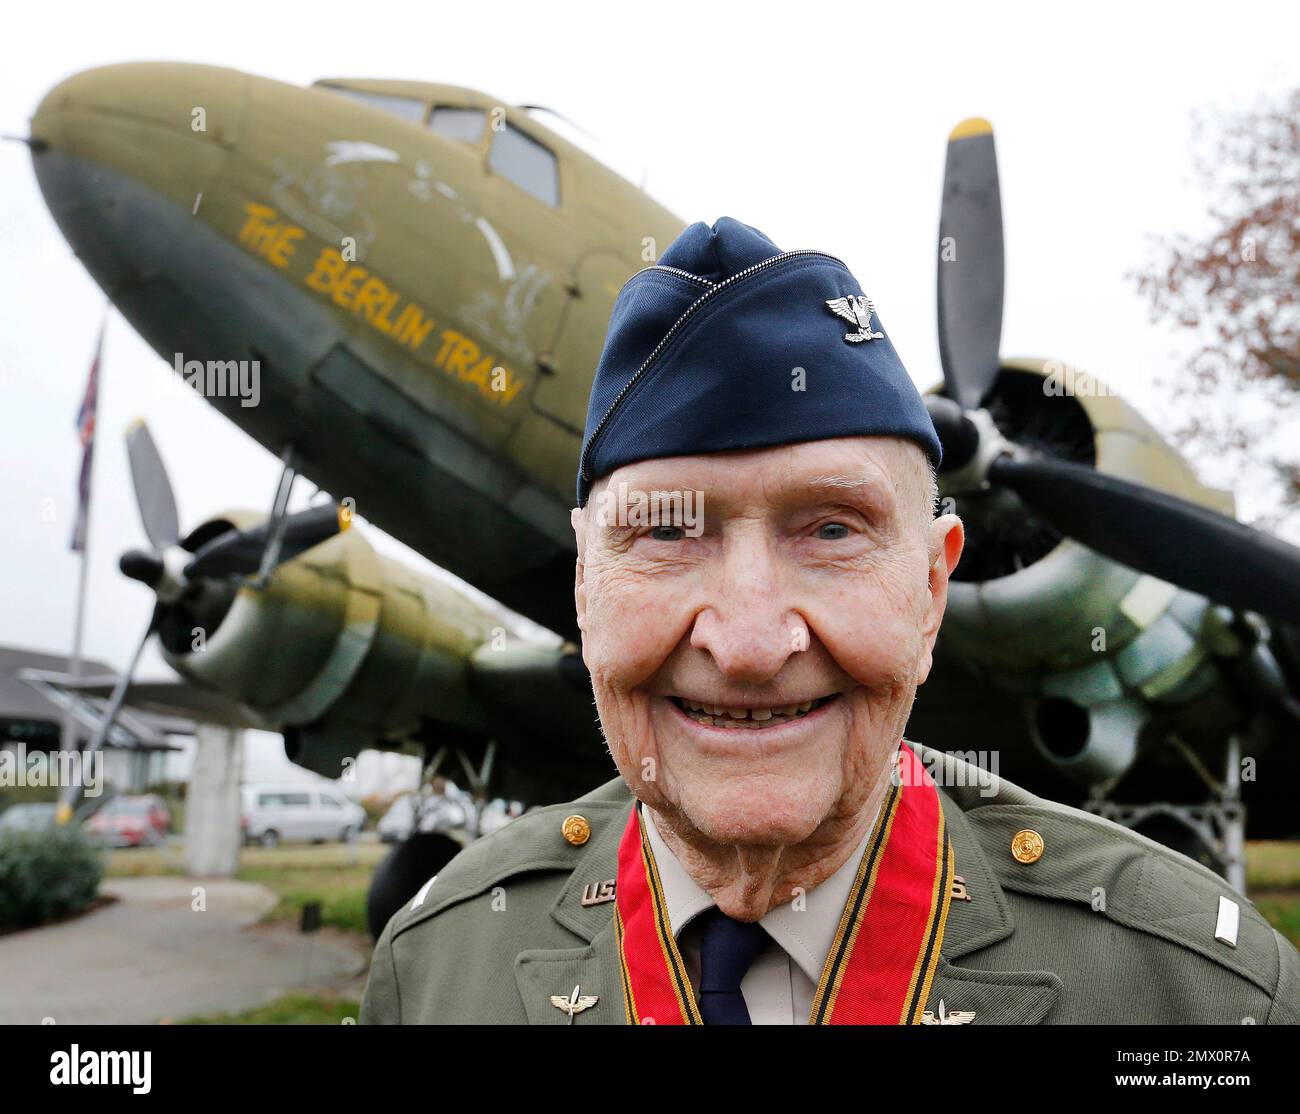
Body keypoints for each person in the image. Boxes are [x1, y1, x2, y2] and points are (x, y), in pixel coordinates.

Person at [361, 217, 1299, 1024]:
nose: (750, 643)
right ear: (583, 586)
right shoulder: (435, 968)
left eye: (833, 530)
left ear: (934, 592)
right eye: (662, 533)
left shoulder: (1205, 996)